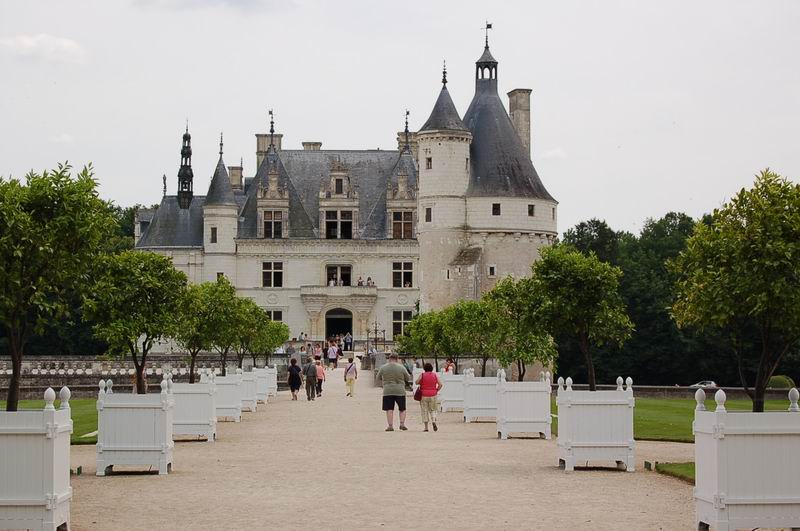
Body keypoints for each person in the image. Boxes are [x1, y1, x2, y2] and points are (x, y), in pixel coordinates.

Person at [376, 353, 411, 431]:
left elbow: (377, 377)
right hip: (400, 390)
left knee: (389, 409)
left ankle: (390, 425)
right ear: (397, 359)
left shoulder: (383, 367)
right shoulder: (401, 367)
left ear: (389, 358)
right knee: (402, 409)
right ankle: (402, 424)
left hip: (388, 390)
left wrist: (385, 380)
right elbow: (408, 378)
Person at [415, 363, 443, 432]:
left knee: (424, 410)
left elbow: (416, 382)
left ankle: (426, 427)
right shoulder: (434, 375)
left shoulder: (422, 375)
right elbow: (440, 384)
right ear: (431, 368)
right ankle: (433, 421)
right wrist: (436, 390)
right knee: (433, 409)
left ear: (424, 369)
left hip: (423, 395)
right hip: (433, 394)